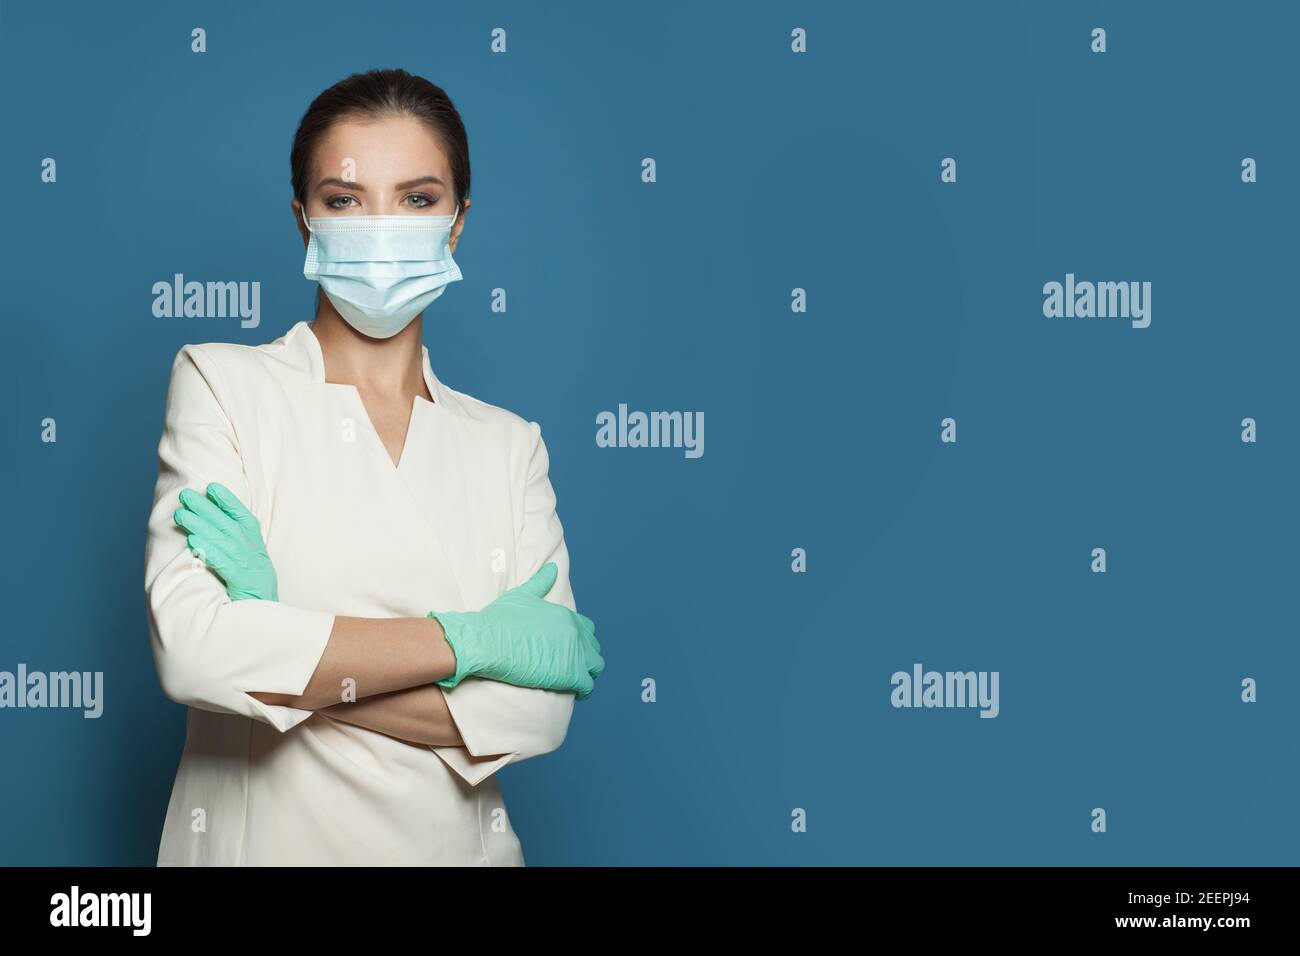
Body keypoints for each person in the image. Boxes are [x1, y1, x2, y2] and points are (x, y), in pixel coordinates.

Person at [142, 68, 603, 866]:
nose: (381, 226)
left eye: (418, 199)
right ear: (304, 221)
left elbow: (538, 716)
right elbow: (195, 651)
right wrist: (474, 644)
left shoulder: (507, 445)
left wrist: (286, 642)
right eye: (346, 200)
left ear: (457, 224)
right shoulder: (223, 384)